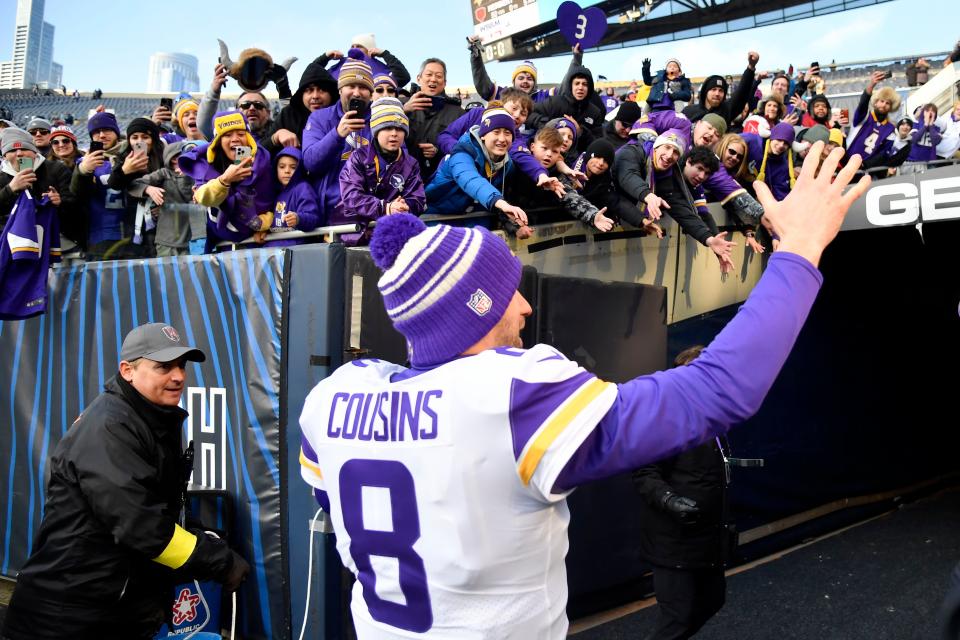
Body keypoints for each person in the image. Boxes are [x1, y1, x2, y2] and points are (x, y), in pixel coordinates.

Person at [298, 140, 872, 639]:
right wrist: (799, 252)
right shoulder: (508, 395)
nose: (524, 305)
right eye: (508, 294)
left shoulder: (334, 401)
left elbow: (340, 506)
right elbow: (717, 393)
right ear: (475, 312)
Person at [2, 323, 250, 639]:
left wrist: (199, 534)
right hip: (67, 619)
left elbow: (157, 508)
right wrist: (218, 560)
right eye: (163, 366)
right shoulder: (109, 427)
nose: (178, 376)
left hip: (116, 613)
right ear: (127, 370)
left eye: (181, 365)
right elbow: (142, 527)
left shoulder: (151, 419)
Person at [633, 345, 736, 640]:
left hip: (707, 541)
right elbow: (644, 473)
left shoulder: (714, 422)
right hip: (673, 544)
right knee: (677, 619)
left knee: (713, 600)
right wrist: (670, 500)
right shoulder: (665, 422)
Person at [424, 104, 530, 235]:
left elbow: (502, 200)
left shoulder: (507, 164)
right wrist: (502, 204)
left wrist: (514, 225)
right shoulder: (462, 153)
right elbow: (471, 180)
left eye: (507, 133)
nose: (502, 139)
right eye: (496, 132)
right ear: (483, 135)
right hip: (437, 218)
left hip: (473, 220)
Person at [179, 110, 276, 251]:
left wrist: (267, 223)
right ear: (218, 141)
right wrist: (224, 180)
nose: (235, 139)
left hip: (261, 244)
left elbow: (275, 199)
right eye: (228, 135)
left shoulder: (263, 161)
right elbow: (204, 197)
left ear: (249, 138)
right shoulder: (206, 163)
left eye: (241, 134)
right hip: (223, 245)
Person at [336, 97, 425, 245]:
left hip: (392, 236)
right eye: (387, 127)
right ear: (376, 131)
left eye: (400, 129)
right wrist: (386, 208)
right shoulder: (358, 157)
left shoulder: (411, 163)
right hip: (352, 235)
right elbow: (351, 196)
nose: (394, 134)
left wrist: (404, 206)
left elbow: (418, 199)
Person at [302, 57, 374, 219]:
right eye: (351, 86)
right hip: (333, 209)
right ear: (340, 89)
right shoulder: (319, 118)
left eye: (363, 87)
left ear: (370, 92)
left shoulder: (381, 118)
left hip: (373, 208)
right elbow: (310, 162)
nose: (356, 92)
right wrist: (337, 134)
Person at [130, 140, 204, 257]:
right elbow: (134, 185)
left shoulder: (200, 173)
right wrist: (148, 189)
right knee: (168, 272)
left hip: (198, 237)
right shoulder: (163, 174)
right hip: (168, 238)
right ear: (174, 158)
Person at [404, 58, 464, 180]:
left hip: (441, 182)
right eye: (429, 74)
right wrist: (403, 110)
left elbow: (464, 149)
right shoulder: (401, 105)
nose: (433, 79)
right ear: (418, 78)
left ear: (445, 82)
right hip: (404, 179)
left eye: (438, 76)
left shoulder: (458, 113)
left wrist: (438, 152)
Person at [261, 146, 321, 246]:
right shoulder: (274, 191)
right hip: (272, 250)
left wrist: (298, 218)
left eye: (293, 167)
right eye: (282, 167)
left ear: (300, 169)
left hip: (295, 250)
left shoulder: (303, 188)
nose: (287, 171)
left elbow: (313, 218)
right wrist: (264, 232)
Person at [682, 52, 759, 125]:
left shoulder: (727, 110)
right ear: (705, 92)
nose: (717, 93)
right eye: (713, 89)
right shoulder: (688, 111)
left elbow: (742, 93)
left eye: (721, 91)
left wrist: (751, 67)